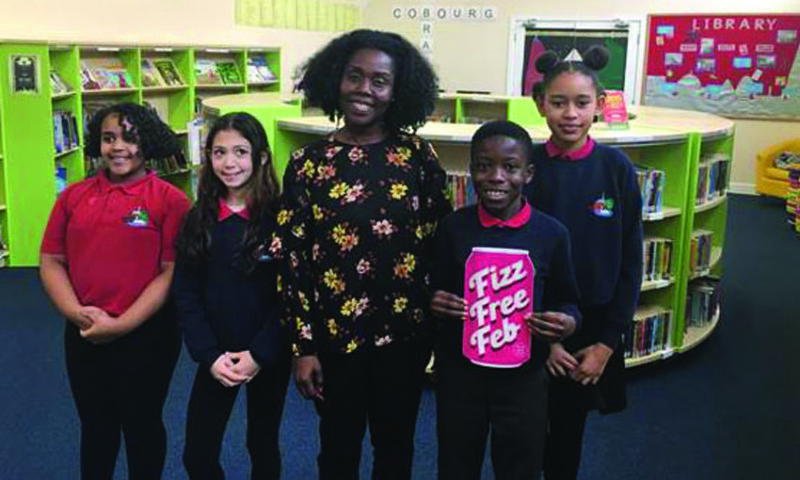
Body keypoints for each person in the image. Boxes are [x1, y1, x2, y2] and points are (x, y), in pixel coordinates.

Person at [277, 29, 451, 479]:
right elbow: (293, 262)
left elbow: (439, 246)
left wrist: (437, 330)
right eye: (355, 76)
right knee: (337, 450)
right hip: (334, 340)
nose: (365, 90)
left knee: (395, 449)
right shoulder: (307, 164)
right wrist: (304, 347)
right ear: (335, 78)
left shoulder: (417, 157)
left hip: (405, 337)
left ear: (397, 91)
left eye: (379, 81)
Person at [39, 102, 190, 479]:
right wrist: (76, 313)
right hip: (84, 330)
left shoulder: (171, 200)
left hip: (147, 334)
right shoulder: (73, 196)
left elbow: (170, 273)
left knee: (141, 424)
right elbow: (52, 260)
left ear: (147, 142)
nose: (118, 147)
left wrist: (121, 326)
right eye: (109, 138)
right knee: (95, 424)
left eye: (130, 137)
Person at [430, 120, 581, 480]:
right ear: (471, 172)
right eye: (484, 166)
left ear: (528, 174)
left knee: (520, 467)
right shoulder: (453, 228)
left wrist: (568, 323)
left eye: (510, 168)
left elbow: (569, 301)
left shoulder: (551, 234)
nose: (496, 177)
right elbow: (433, 290)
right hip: (460, 377)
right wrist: (433, 301)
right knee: (456, 464)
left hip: (524, 381)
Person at [525, 47, 644, 480]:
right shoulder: (527, 167)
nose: (570, 114)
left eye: (582, 103)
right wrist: (545, 344)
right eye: (558, 103)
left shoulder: (616, 168)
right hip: (533, 323)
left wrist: (608, 342)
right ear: (540, 104)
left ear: (599, 105)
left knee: (568, 431)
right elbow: (515, 257)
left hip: (592, 329)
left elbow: (631, 261)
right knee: (525, 429)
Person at [172, 112, 290, 479]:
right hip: (216, 354)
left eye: (240, 151)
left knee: (262, 445)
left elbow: (291, 294)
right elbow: (186, 294)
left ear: (261, 157)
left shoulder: (281, 219)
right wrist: (209, 356)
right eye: (219, 152)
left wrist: (260, 353)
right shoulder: (198, 218)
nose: (229, 162)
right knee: (198, 454)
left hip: (266, 354)